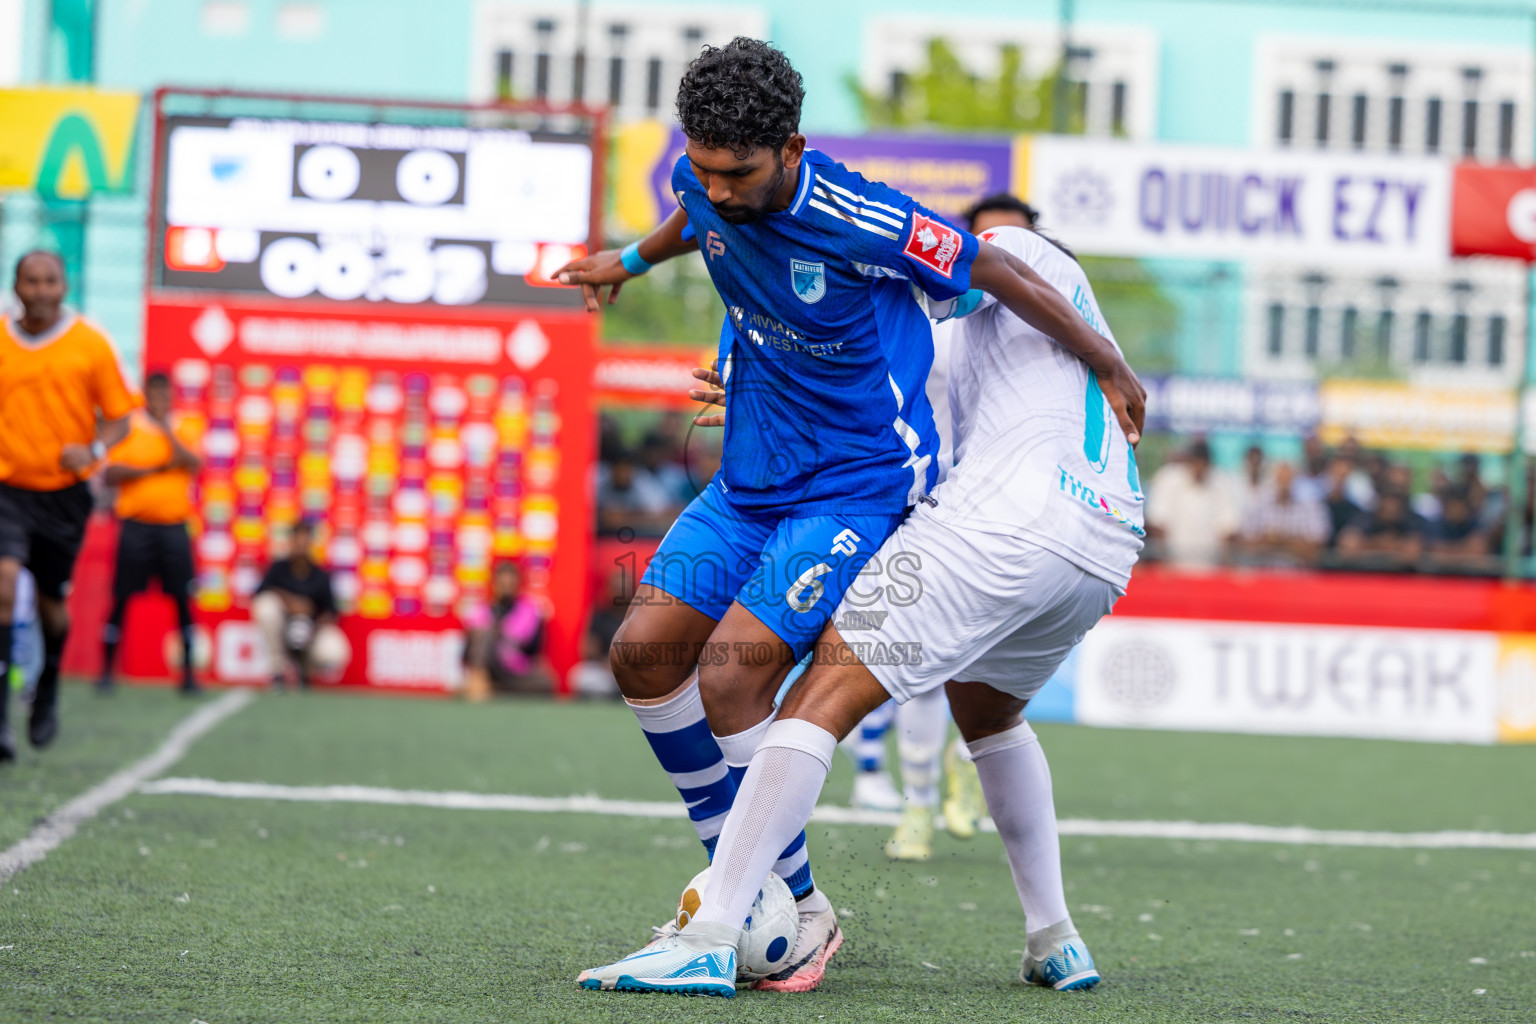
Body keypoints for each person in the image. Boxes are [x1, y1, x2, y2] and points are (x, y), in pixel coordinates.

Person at [559, 38, 1142, 995]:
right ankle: (771, 898)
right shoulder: (706, 174)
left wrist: (1109, 363)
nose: (717, 187)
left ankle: (751, 911)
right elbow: (691, 217)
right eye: (701, 167)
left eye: (737, 172)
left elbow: (994, 273)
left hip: (853, 486)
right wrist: (626, 258)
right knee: (641, 653)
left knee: (735, 675)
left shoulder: (867, 219)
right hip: (750, 478)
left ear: (788, 147)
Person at [886, 193, 1039, 862]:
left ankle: (962, 771)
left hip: (1008, 514)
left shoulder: (1048, 327)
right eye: (989, 239)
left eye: (1022, 243)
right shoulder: (934, 312)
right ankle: (916, 805)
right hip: (928, 503)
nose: (1006, 252)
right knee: (915, 664)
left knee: (986, 673)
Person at [0, 251, 138, 761]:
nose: (39, 290)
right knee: (4, 583)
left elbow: (121, 417)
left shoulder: (91, 343)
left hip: (63, 495)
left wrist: (95, 449)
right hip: (7, 489)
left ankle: (50, 678)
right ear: (16, 286)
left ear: (64, 285)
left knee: (50, 606)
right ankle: (0, 718)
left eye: (49, 281)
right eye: (29, 281)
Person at [97, 372, 203, 694]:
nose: (160, 399)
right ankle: (107, 672)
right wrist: (153, 469)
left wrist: (165, 430)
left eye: (165, 393)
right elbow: (111, 472)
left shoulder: (184, 425)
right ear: (145, 394)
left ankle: (188, 675)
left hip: (173, 526)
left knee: (183, 599)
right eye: (154, 393)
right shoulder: (130, 427)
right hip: (136, 525)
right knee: (121, 597)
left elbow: (193, 462)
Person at [251, 520, 349, 689]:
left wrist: (311, 625)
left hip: (311, 632)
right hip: (282, 629)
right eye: (297, 540)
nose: (301, 545)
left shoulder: (320, 575)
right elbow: (259, 594)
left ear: (311, 543)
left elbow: (332, 612)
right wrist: (291, 603)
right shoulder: (278, 568)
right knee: (265, 606)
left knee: (333, 651)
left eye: (305, 540)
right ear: (291, 542)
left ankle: (306, 672)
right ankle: (277, 671)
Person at [1145, 438, 1240, 569]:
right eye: (1195, 463)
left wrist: (1226, 564)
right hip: (1173, 564)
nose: (1199, 468)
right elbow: (1158, 521)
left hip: (1211, 567)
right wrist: (1163, 559)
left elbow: (1228, 526)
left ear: (1209, 465)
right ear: (1188, 462)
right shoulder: (1169, 479)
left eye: (1203, 464)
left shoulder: (1221, 482)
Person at [463, 561, 550, 694]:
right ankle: (480, 681)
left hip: (514, 670)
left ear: (518, 584)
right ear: (495, 583)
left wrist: (507, 635)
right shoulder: (481, 611)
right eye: (503, 582)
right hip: (488, 665)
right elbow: (467, 652)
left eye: (510, 582)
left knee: (545, 683)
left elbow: (534, 649)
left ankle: (492, 689)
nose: (506, 586)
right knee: (485, 634)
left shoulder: (529, 611)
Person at [1231, 461, 1329, 568]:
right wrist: (1268, 540)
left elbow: (1315, 550)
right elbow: (1246, 546)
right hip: (1263, 574)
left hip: (1299, 575)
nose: (1284, 483)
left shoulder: (1311, 506)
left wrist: (1280, 540)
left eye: (1288, 478)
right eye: (1281, 478)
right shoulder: (1258, 505)